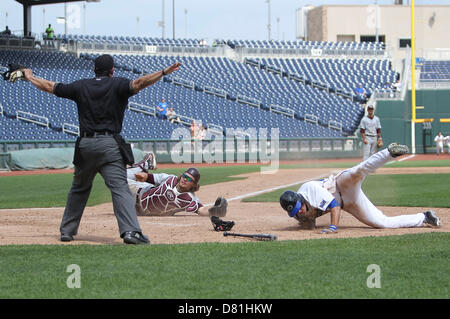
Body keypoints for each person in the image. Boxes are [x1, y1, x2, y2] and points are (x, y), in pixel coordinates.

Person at [23, 54, 181, 244]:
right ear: (112, 71)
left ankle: (67, 231)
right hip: (109, 146)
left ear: (94, 70)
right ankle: (130, 232)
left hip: (85, 146)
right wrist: (163, 72)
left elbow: (50, 86)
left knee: (79, 189)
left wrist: (30, 76)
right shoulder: (118, 84)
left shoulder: (80, 86)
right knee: (120, 189)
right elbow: (139, 83)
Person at [279, 143, 441, 234]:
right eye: (295, 213)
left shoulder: (310, 189)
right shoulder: (297, 212)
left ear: (301, 199)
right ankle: (424, 217)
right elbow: (310, 221)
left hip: (341, 184)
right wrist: (306, 223)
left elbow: (334, 205)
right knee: (382, 223)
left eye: (299, 209)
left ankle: (389, 152)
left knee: (359, 170)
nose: (298, 213)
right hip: (349, 203)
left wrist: (333, 227)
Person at [126, 161, 211, 216]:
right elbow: (148, 177)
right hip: (138, 192)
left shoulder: (190, 199)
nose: (185, 179)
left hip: (140, 212)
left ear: (194, 185)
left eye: (189, 179)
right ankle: (144, 165)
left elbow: (202, 210)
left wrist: (216, 211)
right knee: (116, 179)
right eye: (184, 176)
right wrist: (143, 175)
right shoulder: (170, 178)